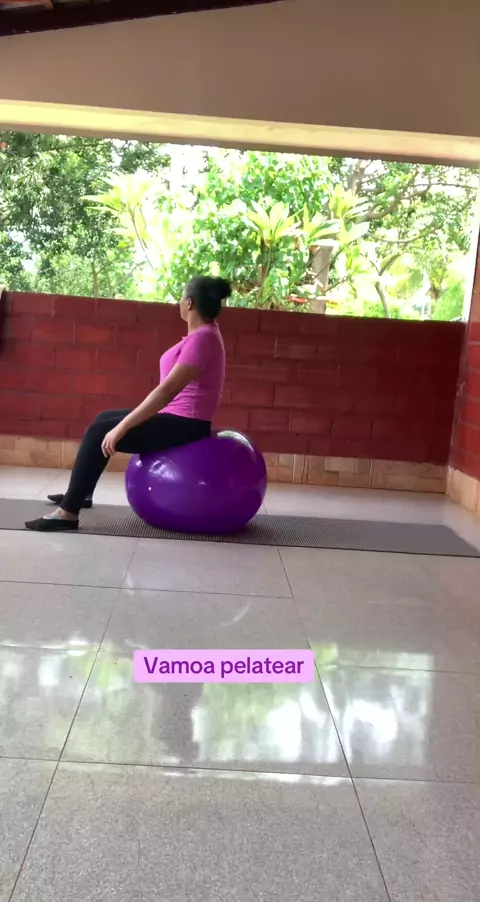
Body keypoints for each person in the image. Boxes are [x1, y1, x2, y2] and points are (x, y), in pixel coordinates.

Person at [25, 275, 231, 532]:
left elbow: (165, 392)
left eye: (181, 298)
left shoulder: (204, 338)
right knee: (103, 418)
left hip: (186, 424)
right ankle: (82, 493)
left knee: (101, 431)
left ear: (189, 303)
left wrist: (122, 428)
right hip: (178, 418)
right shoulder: (202, 335)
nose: (178, 303)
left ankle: (68, 513)